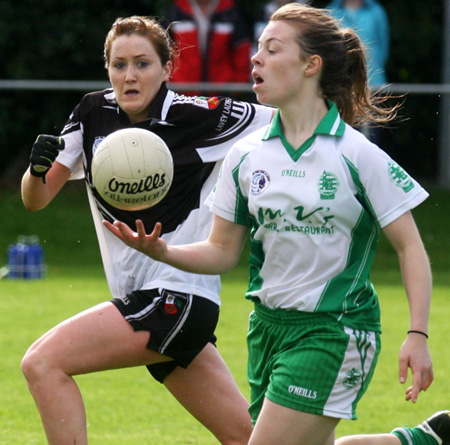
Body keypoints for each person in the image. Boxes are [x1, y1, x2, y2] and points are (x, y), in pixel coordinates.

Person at [104, 4, 437, 445]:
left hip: (334, 328)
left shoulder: (357, 155)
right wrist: (161, 251)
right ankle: (419, 440)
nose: (255, 58)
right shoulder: (246, 156)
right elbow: (221, 251)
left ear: (310, 65)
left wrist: (417, 334)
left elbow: (410, 248)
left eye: (272, 49)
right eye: (257, 48)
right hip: (266, 330)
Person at [20, 15, 273, 445]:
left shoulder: (197, 115)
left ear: (167, 68)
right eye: (119, 65)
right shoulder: (91, 113)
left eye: (142, 64)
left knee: (42, 363)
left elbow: (289, 119)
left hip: (178, 295)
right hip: (147, 299)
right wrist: (36, 169)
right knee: (248, 439)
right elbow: (36, 198)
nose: (130, 75)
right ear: (107, 69)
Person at [164, 0, 252, 84]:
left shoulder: (230, 12)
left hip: (222, 90)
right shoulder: (176, 11)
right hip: (181, 89)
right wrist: (171, 80)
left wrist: (237, 85)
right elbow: (164, 49)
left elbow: (241, 49)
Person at [326, 0, 389, 88]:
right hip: (340, 80)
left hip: (373, 80)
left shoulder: (376, 10)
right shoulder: (331, 10)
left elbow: (383, 46)